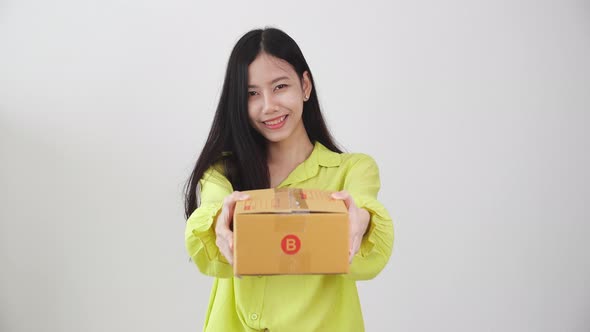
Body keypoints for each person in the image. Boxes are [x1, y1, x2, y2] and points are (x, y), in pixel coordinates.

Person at [184, 27, 394, 332]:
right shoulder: (223, 173)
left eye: (280, 86)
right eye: (252, 93)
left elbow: (365, 209)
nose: (268, 106)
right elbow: (213, 210)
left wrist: (360, 220)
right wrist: (221, 220)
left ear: (305, 85)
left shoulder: (352, 170)